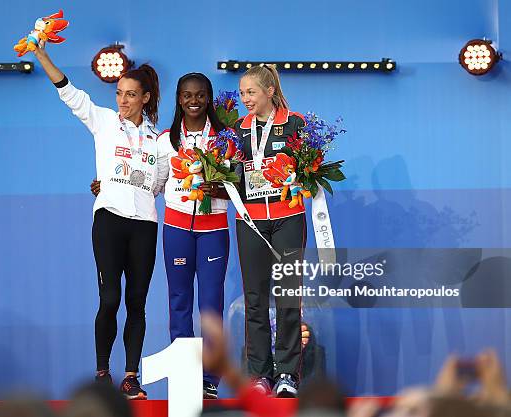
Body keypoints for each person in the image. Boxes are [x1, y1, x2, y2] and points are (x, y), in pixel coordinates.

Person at [33, 41, 163, 400]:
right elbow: (69, 93)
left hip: (145, 225)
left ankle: (131, 377)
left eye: (131, 95)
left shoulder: (159, 140)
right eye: (120, 93)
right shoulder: (104, 121)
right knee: (109, 299)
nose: (122, 100)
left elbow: (165, 183)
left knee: (137, 302)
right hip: (109, 220)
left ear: (146, 98)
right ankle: (103, 373)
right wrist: (43, 56)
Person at [92, 72, 231, 399]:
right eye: (186, 95)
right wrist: (108, 185)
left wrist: (219, 188)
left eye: (199, 95)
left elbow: (235, 186)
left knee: (211, 305)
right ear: (178, 99)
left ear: (208, 99)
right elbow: (154, 184)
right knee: (179, 303)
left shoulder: (225, 138)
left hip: (214, 230)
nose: (193, 101)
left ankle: (209, 379)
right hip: (177, 228)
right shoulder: (165, 139)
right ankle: (186, 373)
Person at [234, 64, 307, 397]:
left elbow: (309, 170)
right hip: (250, 220)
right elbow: (232, 174)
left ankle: (288, 374)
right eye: (241, 93)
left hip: (288, 217)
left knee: (288, 295)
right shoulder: (237, 129)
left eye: (250, 92)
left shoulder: (295, 124)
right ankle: (259, 375)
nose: (245, 99)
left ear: (269, 92)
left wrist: (305, 176)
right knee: (254, 298)